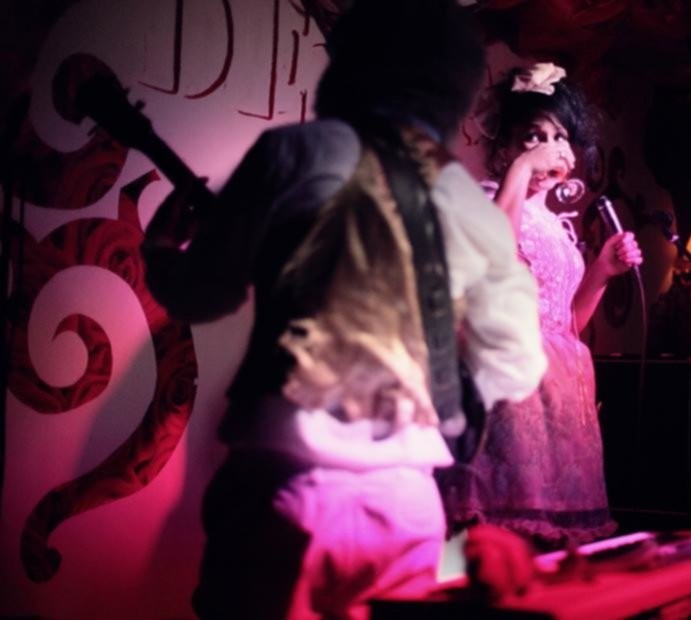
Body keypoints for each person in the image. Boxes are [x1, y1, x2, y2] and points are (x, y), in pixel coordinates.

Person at [141, 2, 546, 617]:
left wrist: (162, 252)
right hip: (408, 501)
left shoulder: (293, 153)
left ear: (353, 61)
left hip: (285, 488)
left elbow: (203, 294)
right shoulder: (468, 201)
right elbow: (518, 362)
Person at [437, 63, 643, 549]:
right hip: (511, 391)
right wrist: (522, 171)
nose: (547, 148)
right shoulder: (487, 200)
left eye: (558, 137)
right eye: (533, 137)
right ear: (504, 148)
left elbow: (567, 325)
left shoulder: (557, 223)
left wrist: (600, 273)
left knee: (551, 548)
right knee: (500, 536)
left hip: (561, 395)